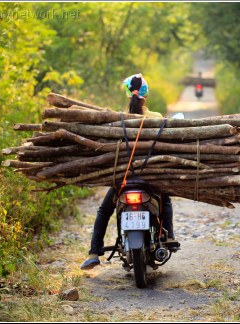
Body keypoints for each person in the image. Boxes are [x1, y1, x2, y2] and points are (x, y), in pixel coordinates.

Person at [80, 73, 175, 270]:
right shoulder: (157, 118)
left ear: (127, 94)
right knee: (165, 200)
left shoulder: (118, 121)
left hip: (124, 181)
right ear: (146, 95)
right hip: (150, 181)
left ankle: (93, 252)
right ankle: (170, 236)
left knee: (104, 211)